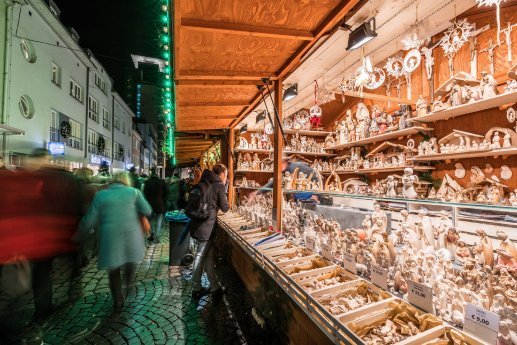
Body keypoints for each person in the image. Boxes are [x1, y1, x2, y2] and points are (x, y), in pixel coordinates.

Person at [77, 172, 152, 311]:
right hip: (132, 235)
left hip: (110, 236)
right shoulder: (134, 193)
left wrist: (79, 234)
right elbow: (147, 210)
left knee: (114, 269)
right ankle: (129, 285)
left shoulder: (101, 195)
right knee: (130, 262)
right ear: (126, 181)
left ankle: (118, 300)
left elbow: (90, 220)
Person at [190, 164, 229, 299]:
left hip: (198, 224)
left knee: (208, 257)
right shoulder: (219, 185)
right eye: (226, 175)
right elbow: (225, 208)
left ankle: (214, 287)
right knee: (200, 256)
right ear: (222, 175)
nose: (226, 178)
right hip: (207, 227)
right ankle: (196, 288)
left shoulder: (203, 181)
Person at [247, 156, 319, 202]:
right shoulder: (284, 171)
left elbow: (315, 178)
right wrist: (257, 193)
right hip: (299, 199)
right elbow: (273, 183)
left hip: (309, 198)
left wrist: (315, 195)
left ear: (283, 162)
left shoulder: (298, 166)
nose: (275, 166)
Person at [143, 167, 168, 242]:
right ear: (157, 172)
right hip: (159, 204)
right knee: (158, 221)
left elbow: (145, 194)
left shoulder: (147, 182)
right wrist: (162, 199)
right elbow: (166, 192)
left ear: (151, 173)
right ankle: (156, 236)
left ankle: (152, 234)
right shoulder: (162, 182)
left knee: (149, 220)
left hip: (150, 204)